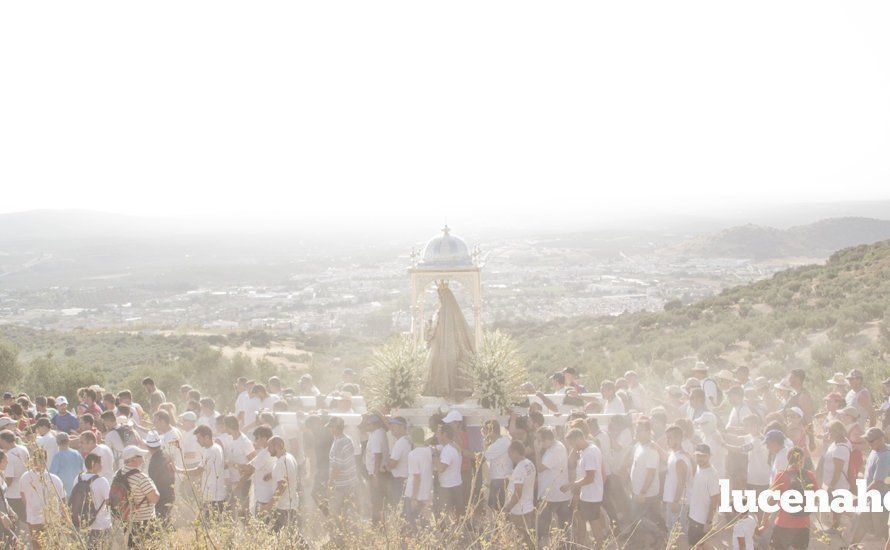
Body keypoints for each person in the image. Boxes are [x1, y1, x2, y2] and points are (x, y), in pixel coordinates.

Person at [759, 447, 816, 550]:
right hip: (804, 523)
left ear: (788, 459)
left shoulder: (781, 475)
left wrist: (764, 520)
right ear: (802, 459)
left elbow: (771, 501)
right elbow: (817, 498)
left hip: (783, 523)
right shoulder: (810, 475)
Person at [563, 427, 605, 543]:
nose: (571, 446)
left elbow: (590, 478)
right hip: (588, 494)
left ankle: (600, 545)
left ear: (579, 439)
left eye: (572, 443)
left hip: (591, 495)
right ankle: (582, 541)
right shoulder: (589, 449)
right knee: (579, 515)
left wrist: (571, 485)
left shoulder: (589, 454)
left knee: (594, 522)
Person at [850, 427, 890, 546]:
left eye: (871, 441)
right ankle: (852, 546)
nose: (868, 443)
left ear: (881, 439)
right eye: (867, 440)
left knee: (883, 531)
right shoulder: (875, 450)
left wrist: (861, 496)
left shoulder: (885, 457)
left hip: (881, 500)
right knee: (862, 522)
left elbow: (877, 482)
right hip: (872, 498)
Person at [19, 448, 64, 549]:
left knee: (37, 546)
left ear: (32, 460)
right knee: (54, 546)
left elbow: (23, 497)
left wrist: (30, 508)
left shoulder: (25, 477)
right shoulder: (55, 479)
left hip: (33, 518)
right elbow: (62, 501)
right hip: (52, 519)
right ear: (46, 459)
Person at [179, 425, 226, 518]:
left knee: (209, 523)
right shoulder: (214, 448)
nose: (197, 441)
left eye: (199, 438)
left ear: (207, 437)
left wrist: (179, 470)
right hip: (213, 493)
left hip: (213, 495)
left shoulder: (211, 451)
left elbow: (197, 471)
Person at [117, 445, 159, 548]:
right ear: (133, 459)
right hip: (144, 521)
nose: (143, 457)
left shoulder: (117, 474)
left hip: (127, 520)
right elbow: (154, 498)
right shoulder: (141, 477)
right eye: (140, 456)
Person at [535, 426, 570, 546]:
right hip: (553, 494)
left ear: (547, 439)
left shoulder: (556, 450)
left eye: (539, 440)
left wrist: (537, 451)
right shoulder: (553, 447)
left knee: (548, 527)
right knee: (560, 528)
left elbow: (540, 468)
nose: (538, 443)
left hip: (553, 495)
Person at [327, 416, 358, 536]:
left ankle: (339, 537)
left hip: (340, 484)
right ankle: (349, 536)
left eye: (331, 426)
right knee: (348, 511)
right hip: (350, 482)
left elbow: (337, 467)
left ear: (336, 427)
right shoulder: (347, 439)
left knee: (335, 512)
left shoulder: (339, 443)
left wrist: (330, 483)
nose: (330, 429)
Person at [503, 440, 535, 549]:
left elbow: (517, 493)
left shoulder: (519, 469)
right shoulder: (530, 463)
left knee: (520, 540)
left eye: (510, 453)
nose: (509, 456)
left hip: (519, 511)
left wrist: (507, 508)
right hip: (528, 507)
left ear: (515, 452)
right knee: (528, 538)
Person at [687, 444, 720, 548]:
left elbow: (715, 499)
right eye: (698, 455)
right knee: (693, 544)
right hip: (693, 516)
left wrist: (709, 522)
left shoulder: (712, 474)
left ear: (709, 456)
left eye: (703, 455)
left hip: (702, 519)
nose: (700, 458)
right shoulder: (698, 468)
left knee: (699, 546)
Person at [822, 421, 852, 534]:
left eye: (830, 431)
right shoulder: (839, 443)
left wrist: (831, 486)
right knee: (836, 506)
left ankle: (836, 527)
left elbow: (838, 471)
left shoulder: (840, 449)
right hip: (834, 482)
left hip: (838, 483)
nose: (828, 434)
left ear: (837, 432)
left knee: (836, 506)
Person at [77, 453, 112, 548]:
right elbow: (109, 501)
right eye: (100, 463)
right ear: (94, 464)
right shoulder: (102, 481)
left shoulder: (78, 479)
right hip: (101, 524)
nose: (101, 466)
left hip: (83, 524)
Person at [221, 414, 253, 518]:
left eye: (224, 426)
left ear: (228, 426)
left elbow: (253, 464)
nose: (223, 428)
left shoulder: (245, 442)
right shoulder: (232, 440)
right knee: (232, 512)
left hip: (243, 483)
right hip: (233, 481)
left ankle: (248, 532)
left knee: (242, 513)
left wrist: (234, 465)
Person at [243, 426, 276, 521]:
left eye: (257, 438)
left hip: (264, 497)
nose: (256, 441)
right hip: (268, 494)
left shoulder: (265, 453)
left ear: (264, 438)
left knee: (262, 525)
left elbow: (249, 468)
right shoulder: (271, 451)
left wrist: (233, 464)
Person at [663, 425, 691, 534]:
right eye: (667, 438)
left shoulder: (680, 459)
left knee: (678, 534)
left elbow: (681, 483)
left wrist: (676, 501)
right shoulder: (674, 455)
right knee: (672, 531)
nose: (667, 441)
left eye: (670, 438)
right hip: (672, 500)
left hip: (679, 502)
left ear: (678, 439)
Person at [404, 426, 433, 532]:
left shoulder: (412, 454)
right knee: (423, 523)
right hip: (426, 493)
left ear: (412, 438)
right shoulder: (429, 451)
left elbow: (416, 477)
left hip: (414, 493)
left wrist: (414, 498)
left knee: (411, 523)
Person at [268, 436, 299, 533]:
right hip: (290, 503)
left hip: (284, 506)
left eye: (270, 447)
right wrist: (271, 475)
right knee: (280, 533)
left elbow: (282, 485)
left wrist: (270, 504)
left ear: (277, 446)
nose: (268, 450)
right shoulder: (290, 457)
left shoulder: (281, 462)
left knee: (292, 535)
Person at [143, 431, 175, 524]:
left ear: (148, 446)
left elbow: (153, 483)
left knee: (162, 524)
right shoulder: (165, 454)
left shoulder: (154, 462)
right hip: (169, 494)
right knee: (166, 521)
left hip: (161, 497)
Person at [363, 413, 389, 525]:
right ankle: (380, 524)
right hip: (379, 473)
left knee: (376, 501)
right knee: (379, 501)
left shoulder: (376, 435)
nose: (366, 425)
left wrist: (375, 476)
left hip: (377, 474)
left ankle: (377, 525)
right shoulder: (379, 432)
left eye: (368, 423)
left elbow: (378, 456)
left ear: (375, 424)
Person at [0, 429, 29, 528]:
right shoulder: (23, 449)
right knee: (25, 520)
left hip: (13, 495)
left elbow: (9, 479)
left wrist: (2, 488)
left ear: (4, 441)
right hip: (25, 490)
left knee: (16, 523)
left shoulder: (9, 456)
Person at [482, 419, 512, 510]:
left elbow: (482, 458)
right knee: (497, 509)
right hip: (500, 479)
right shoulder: (503, 440)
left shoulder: (499, 444)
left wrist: (463, 452)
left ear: (491, 431)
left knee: (498, 509)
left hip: (499, 480)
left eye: (484, 430)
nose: (483, 432)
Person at [436, 422, 463, 519]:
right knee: (457, 517)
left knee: (445, 518)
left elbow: (441, 469)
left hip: (448, 489)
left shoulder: (447, 450)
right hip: (456, 485)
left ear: (444, 434)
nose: (436, 436)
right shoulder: (453, 446)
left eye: (438, 433)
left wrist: (435, 456)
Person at [49, 432, 84, 497]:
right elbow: (83, 469)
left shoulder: (57, 456)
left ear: (57, 443)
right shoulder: (76, 453)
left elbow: (52, 475)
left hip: (63, 490)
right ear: (68, 441)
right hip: (77, 488)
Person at [387, 417, 411, 508]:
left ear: (402, 427)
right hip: (406, 479)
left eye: (394, 426)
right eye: (391, 425)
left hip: (400, 481)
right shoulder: (408, 439)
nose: (391, 428)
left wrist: (387, 466)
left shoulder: (401, 442)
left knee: (398, 507)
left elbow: (393, 464)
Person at [0, 450, 20, 547]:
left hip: (5, 511)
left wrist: (10, 510)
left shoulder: (1, 474)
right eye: (5, 460)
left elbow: (3, 497)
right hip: (1, 514)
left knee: (11, 542)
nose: (7, 462)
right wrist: (2, 515)